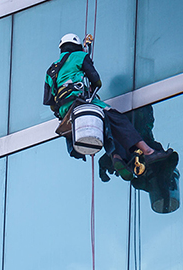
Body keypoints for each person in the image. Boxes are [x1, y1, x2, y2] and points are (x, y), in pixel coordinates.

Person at [44, 33, 173, 179]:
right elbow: (97, 80)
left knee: (104, 125)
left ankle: (116, 156)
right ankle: (149, 152)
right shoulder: (80, 56)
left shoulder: (51, 70)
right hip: (80, 101)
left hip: (65, 109)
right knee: (118, 120)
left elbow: (50, 102)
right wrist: (90, 86)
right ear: (77, 46)